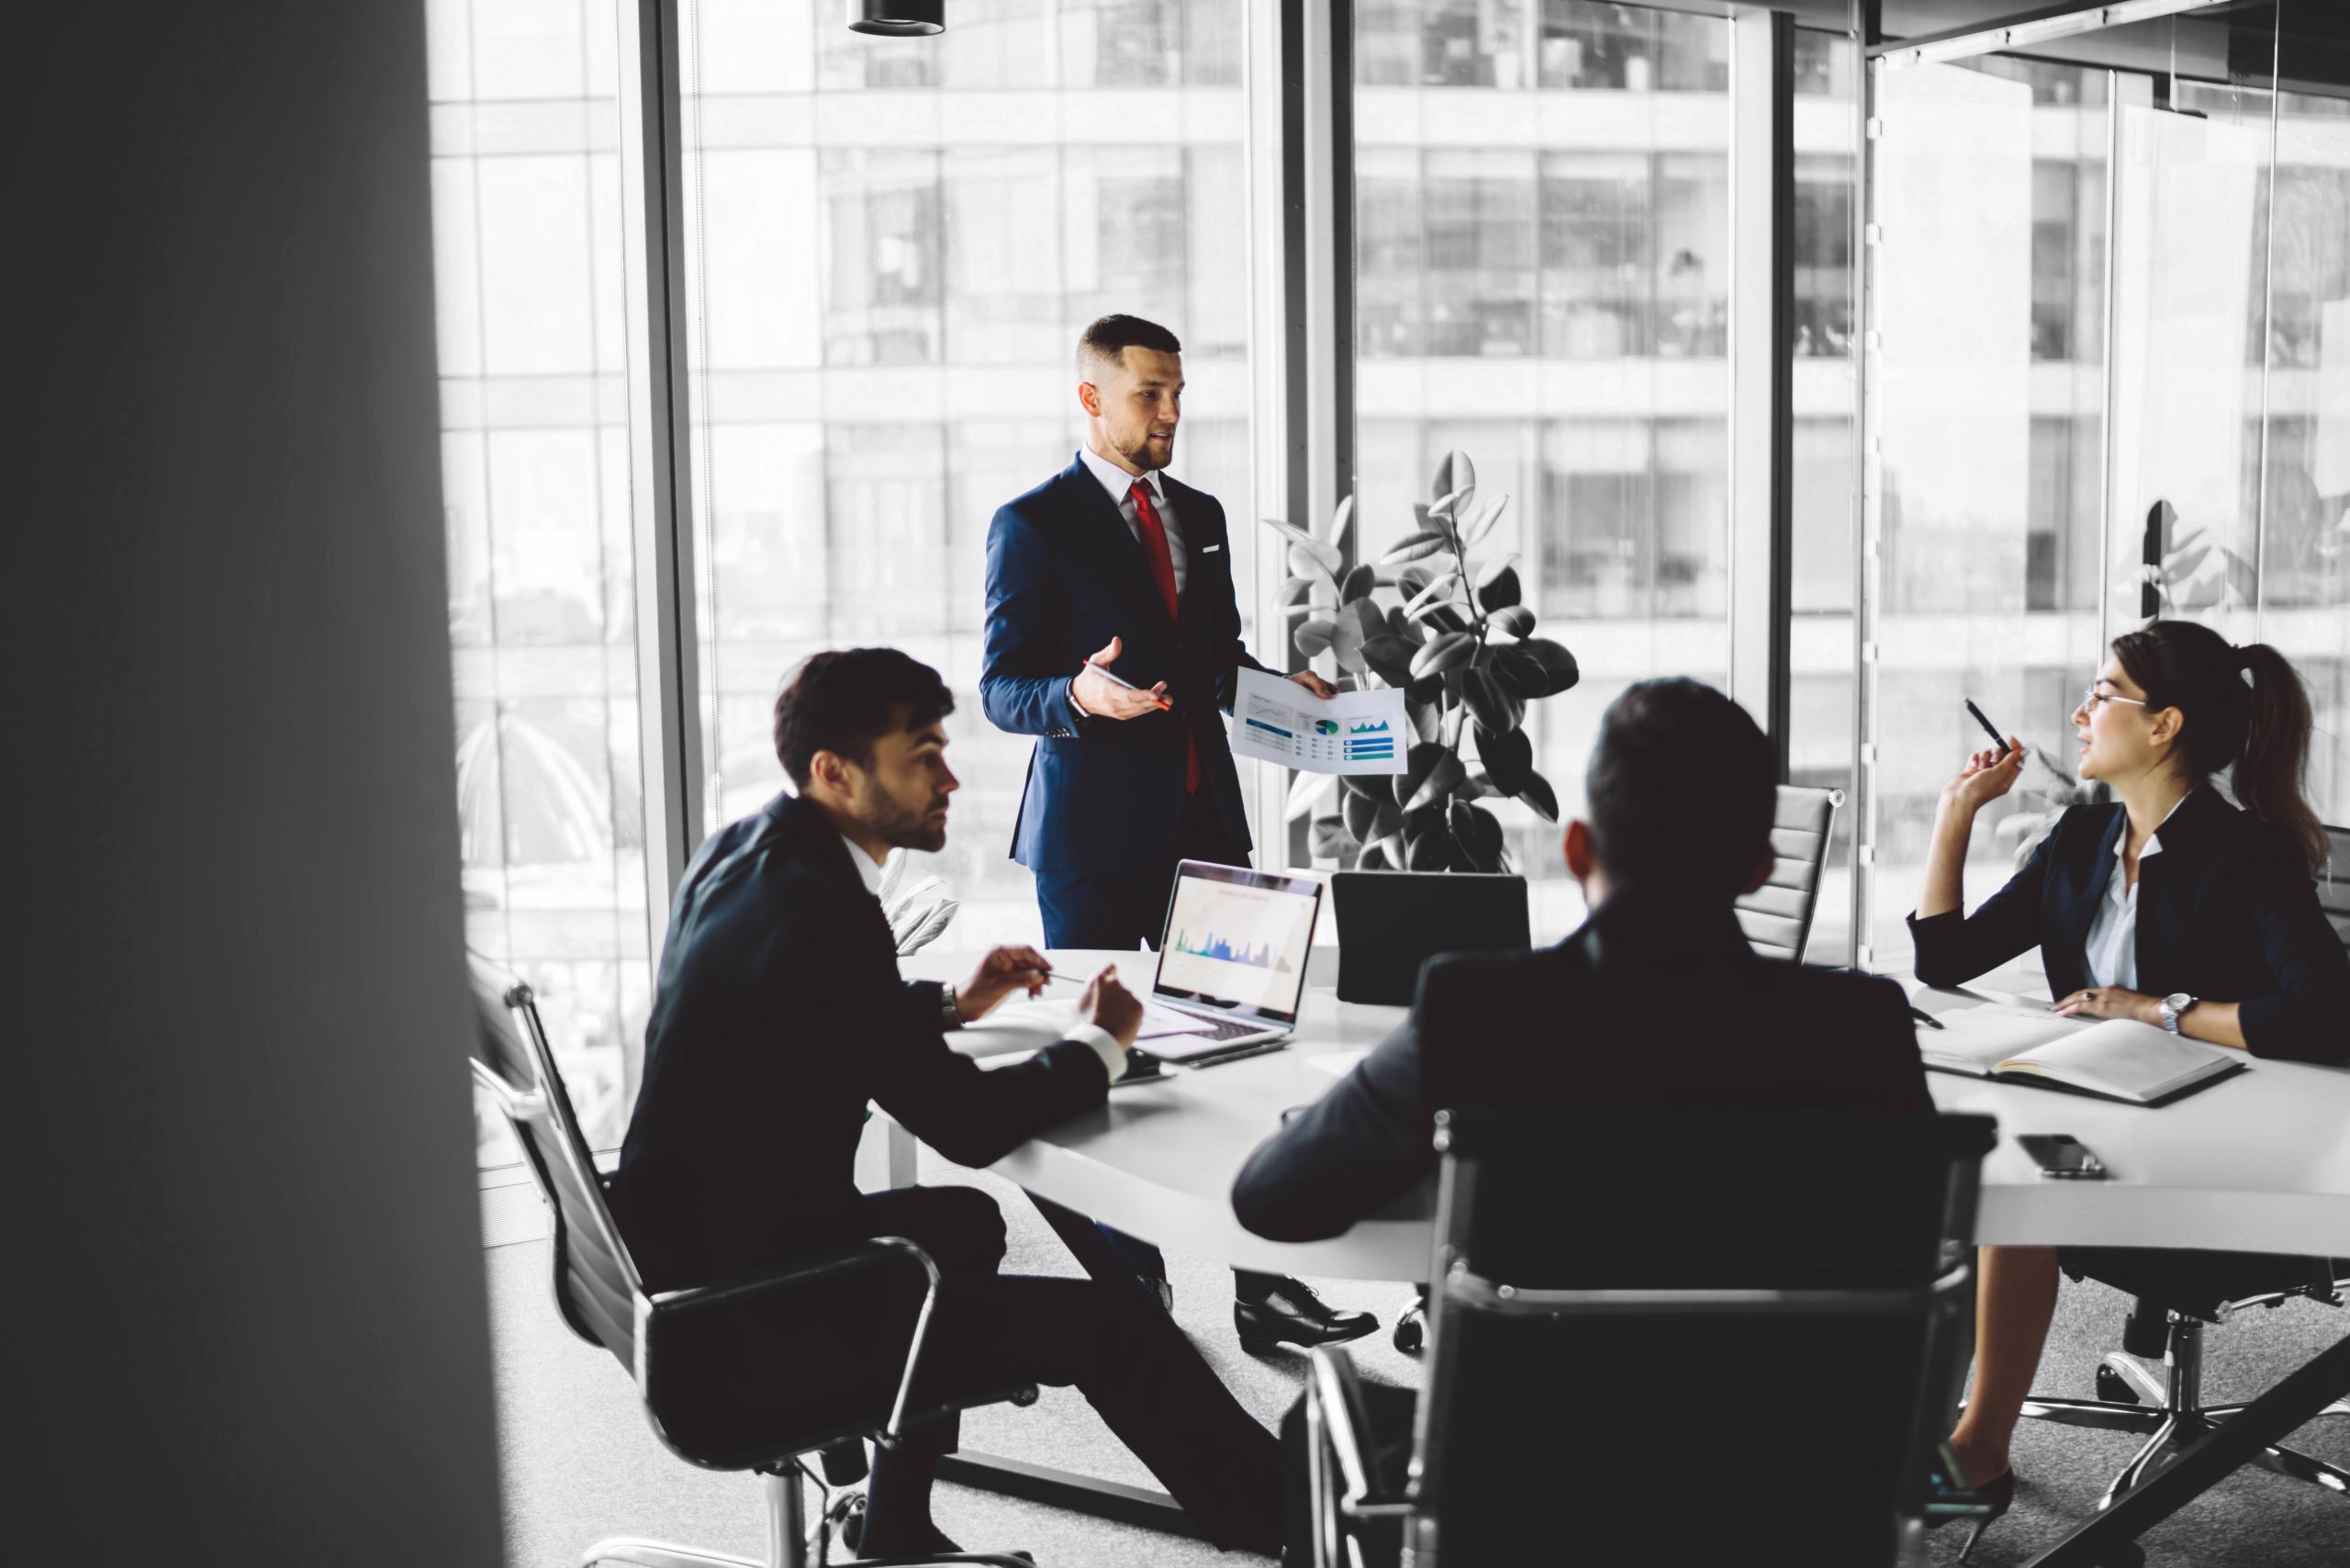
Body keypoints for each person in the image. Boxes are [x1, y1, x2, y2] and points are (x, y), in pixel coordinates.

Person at [1228, 679, 1939, 1564]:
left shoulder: (1477, 1009)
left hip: (1521, 1497)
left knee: (1319, 1414)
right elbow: (1917, 1263)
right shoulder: (1863, 1027)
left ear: (1575, 846)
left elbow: (1272, 1200)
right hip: (1800, 1496)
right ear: (1761, 867)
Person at [610, 648, 1282, 1559]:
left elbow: (797, 1004)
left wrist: (952, 1004)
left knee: (963, 1227)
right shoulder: (821, 909)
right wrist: (1102, 1045)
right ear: (835, 772)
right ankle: (1292, 1523)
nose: (949, 777)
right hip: (745, 1318)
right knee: (1117, 1325)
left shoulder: (748, 851)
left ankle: (896, 1526)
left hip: (676, 1259)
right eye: (922, 753)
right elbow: (966, 1125)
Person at [980, 312, 1375, 1353]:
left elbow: (1213, 659)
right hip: (1091, 840)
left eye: (1178, 392)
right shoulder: (1032, 523)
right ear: (1091, 398)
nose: (1170, 412)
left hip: (1206, 821)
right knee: (1113, 1057)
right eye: (1149, 393)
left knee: (1248, 1052)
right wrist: (1077, 695)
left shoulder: (1196, 512)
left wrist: (1275, 689)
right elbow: (1000, 689)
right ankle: (1132, 1288)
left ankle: (1263, 1286)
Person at [1912, 621, 2350, 1535]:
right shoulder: (2078, 842)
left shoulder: (2247, 853)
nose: (2080, 711)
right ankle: (1953, 1432)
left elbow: (2321, 1015)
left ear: (2163, 726)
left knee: (2013, 1188)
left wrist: (2155, 1007)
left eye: (2104, 692)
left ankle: (1978, 1451)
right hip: (2110, 1123)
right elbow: (1946, 957)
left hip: (2219, 1156)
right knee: (1980, 1172)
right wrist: (1957, 814)